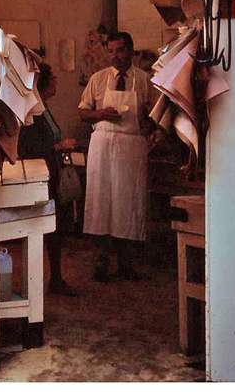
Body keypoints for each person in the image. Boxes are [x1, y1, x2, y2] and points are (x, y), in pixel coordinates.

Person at [78, 32, 159, 282]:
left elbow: (157, 116)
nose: (116, 56)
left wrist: (153, 127)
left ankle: (127, 264)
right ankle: (100, 264)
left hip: (132, 147)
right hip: (103, 144)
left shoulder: (145, 81)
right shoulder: (98, 79)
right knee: (100, 202)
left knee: (128, 204)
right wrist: (101, 113)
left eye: (120, 50)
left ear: (131, 51)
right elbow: (82, 113)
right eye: (111, 51)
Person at [17, 63, 78, 296]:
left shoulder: (45, 108)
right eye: (53, 78)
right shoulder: (33, 112)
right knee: (44, 229)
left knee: (56, 229)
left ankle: (56, 277)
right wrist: (58, 146)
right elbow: (28, 147)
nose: (56, 81)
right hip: (40, 176)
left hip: (53, 172)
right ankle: (44, 281)